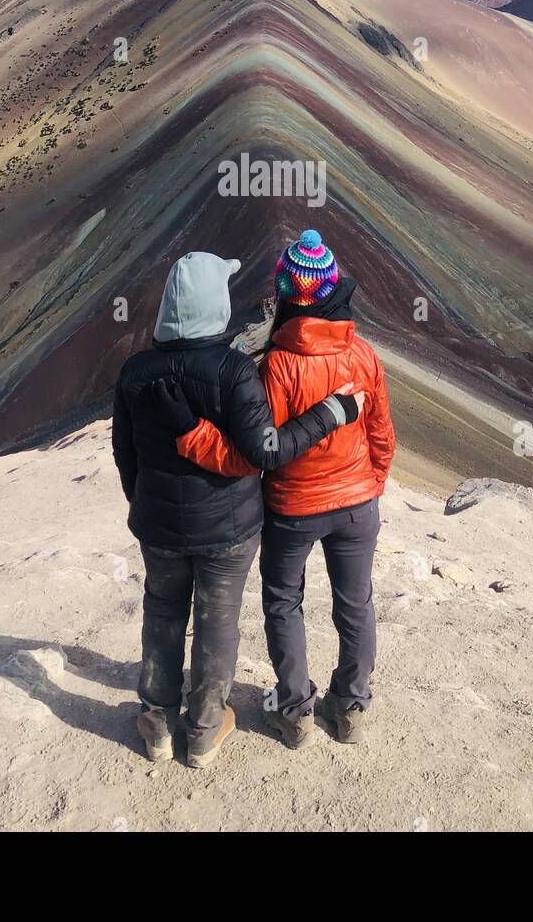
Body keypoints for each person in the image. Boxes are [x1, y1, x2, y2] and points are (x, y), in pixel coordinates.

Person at [111, 250, 363, 769]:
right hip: (229, 528)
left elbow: (124, 451)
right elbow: (265, 451)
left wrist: (141, 499)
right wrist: (330, 413)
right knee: (216, 619)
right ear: (213, 304)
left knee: (162, 610)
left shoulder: (135, 372)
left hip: (158, 525)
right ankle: (203, 729)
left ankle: (157, 721)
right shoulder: (233, 371)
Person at [167, 230, 396, 750]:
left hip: (293, 507)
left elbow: (256, 448)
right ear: (333, 290)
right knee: (355, 603)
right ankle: (352, 706)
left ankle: (294, 712)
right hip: (358, 504)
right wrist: (372, 483)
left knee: (283, 603)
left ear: (287, 296)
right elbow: (382, 433)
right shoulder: (363, 356)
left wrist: (197, 439)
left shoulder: (274, 367)